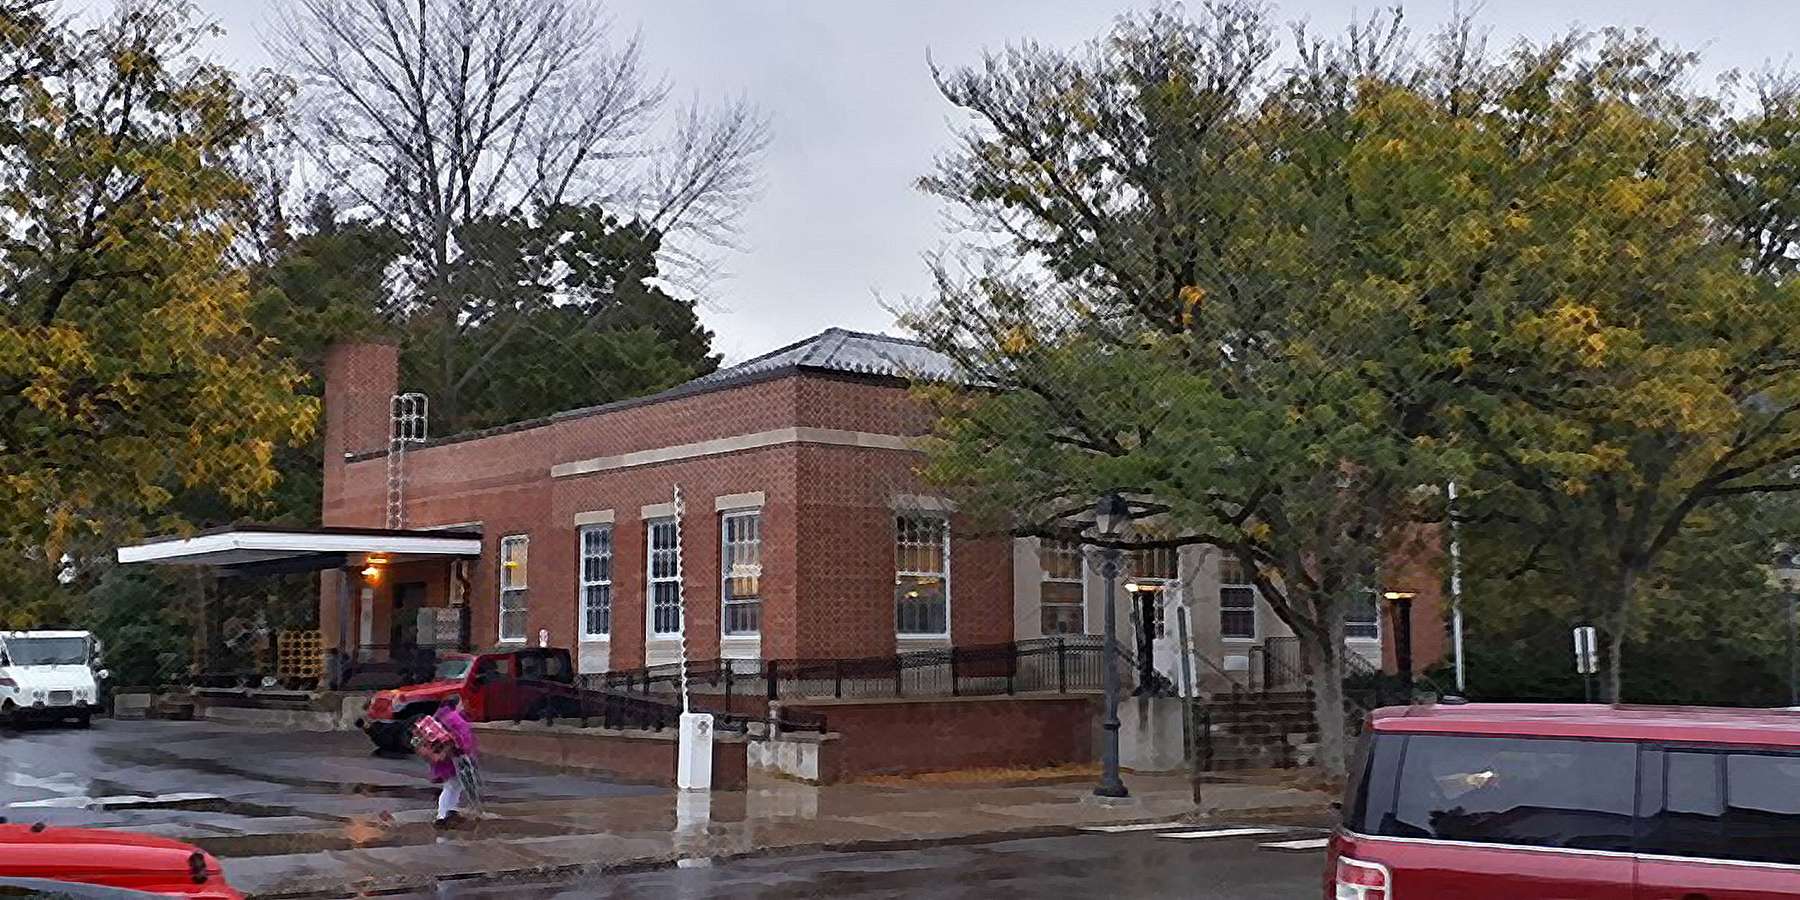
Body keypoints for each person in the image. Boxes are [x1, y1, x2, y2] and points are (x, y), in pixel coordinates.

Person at [420, 694, 481, 829]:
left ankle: (450, 810)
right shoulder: (455, 718)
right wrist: (469, 751)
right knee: (451, 786)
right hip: (454, 758)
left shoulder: (439, 717)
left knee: (454, 785)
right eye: (461, 703)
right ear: (456, 704)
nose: (462, 706)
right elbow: (464, 739)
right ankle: (442, 815)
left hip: (444, 758)